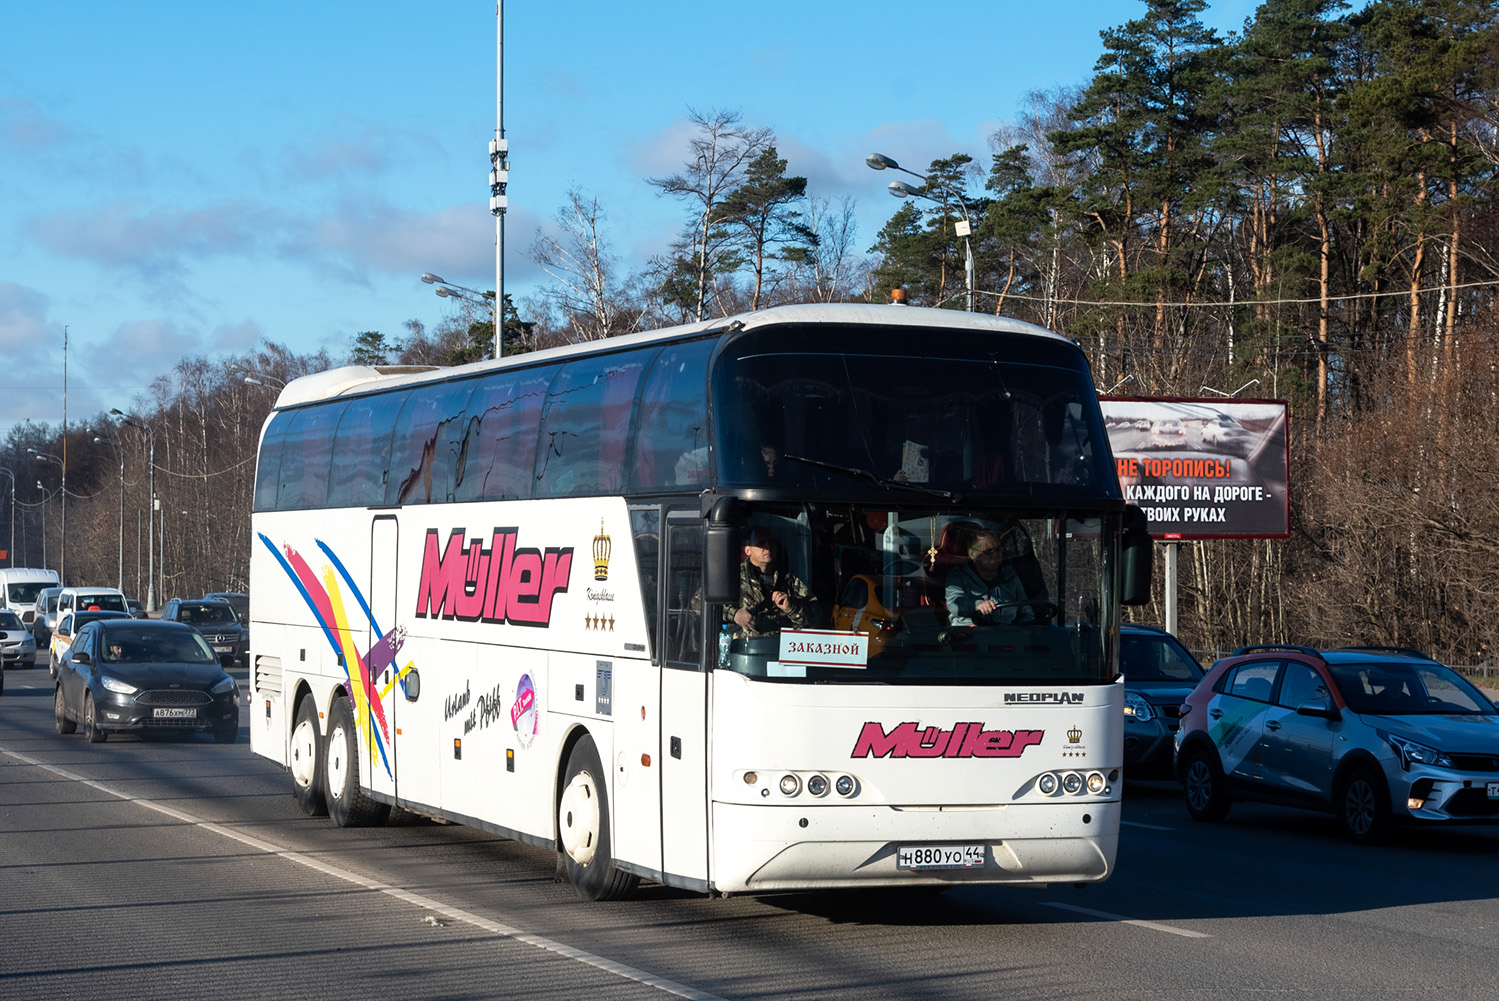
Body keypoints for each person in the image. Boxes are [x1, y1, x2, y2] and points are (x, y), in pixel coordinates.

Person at [727, 527, 818, 638]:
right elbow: (702, 604)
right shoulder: (733, 577)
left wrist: (791, 608)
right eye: (761, 543)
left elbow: (814, 618)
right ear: (748, 550)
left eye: (770, 543)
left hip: (779, 650)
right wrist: (735, 614)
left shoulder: (788, 580)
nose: (768, 547)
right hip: (742, 650)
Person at [945, 529, 1034, 627]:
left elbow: (1025, 611)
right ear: (972, 554)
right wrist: (977, 605)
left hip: (1005, 635)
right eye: (988, 552)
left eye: (998, 550)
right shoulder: (958, 575)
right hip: (968, 636)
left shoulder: (1010, 575)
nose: (996, 556)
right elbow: (954, 604)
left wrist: (1025, 632)